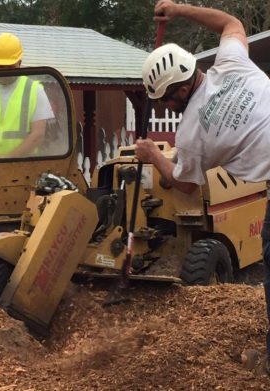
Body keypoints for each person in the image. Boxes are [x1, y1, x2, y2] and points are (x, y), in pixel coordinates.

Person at [134, 0, 270, 370]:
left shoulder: (192, 135)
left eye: (163, 99)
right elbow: (231, 22)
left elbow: (184, 184)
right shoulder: (230, 64)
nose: (164, 105)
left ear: (178, 91)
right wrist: (180, 9)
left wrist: (153, 155)